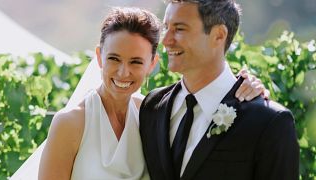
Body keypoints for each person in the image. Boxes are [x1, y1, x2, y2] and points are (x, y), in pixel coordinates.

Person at [36, 7, 264, 180]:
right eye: (114, 59)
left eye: (136, 62)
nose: (123, 72)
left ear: (152, 64)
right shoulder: (71, 123)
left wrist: (248, 87)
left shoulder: (154, 113)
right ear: (99, 57)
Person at [139, 1, 299, 180]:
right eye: (166, 27)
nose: (166, 40)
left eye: (180, 29)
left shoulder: (270, 122)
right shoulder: (152, 106)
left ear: (219, 35)